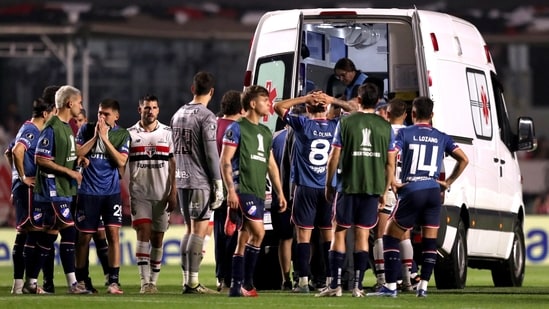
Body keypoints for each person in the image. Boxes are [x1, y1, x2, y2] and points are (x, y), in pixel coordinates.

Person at [367, 96, 468, 298]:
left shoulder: (405, 133)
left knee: (388, 235)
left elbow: (391, 155)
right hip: (433, 190)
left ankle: (390, 286)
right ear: (431, 116)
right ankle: (422, 286)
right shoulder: (441, 136)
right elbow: (464, 159)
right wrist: (448, 182)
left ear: (413, 114)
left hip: (412, 188)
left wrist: (393, 182)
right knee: (430, 242)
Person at [319, 83, 395, 297]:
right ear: (378, 101)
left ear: (358, 101)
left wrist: (328, 184)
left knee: (340, 231)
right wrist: (384, 190)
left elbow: (333, 157)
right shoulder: (385, 127)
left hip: (348, 186)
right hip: (372, 188)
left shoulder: (345, 122)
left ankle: (335, 286)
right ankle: (358, 287)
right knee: (363, 234)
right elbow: (390, 163)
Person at [273, 91, 354, 293]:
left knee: (303, 236)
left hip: (305, 188)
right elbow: (355, 110)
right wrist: (333, 100)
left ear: (308, 108)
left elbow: (278, 106)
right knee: (329, 236)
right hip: (329, 188)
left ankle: (302, 282)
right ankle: (329, 280)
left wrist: (304, 99)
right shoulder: (338, 125)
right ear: (326, 108)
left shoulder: (301, 124)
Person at [220, 85, 287, 297]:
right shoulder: (237, 127)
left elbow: (271, 165)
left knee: (244, 238)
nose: (269, 104)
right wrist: (230, 190)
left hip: (258, 190)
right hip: (243, 188)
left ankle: (235, 286)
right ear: (252, 104)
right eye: (265, 100)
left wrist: (280, 192)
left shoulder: (265, 132)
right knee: (259, 233)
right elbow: (225, 161)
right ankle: (247, 284)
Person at [30, 85, 89, 294]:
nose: (81, 106)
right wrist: (70, 173)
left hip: (64, 189)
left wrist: (79, 160)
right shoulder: (52, 126)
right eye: (79, 102)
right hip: (52, 189)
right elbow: (41, 158)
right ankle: (73, 284)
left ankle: (29, 282)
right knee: (69, 231)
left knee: (49, 236)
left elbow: (68, 155)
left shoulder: (66, 127)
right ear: (69, 103)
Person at [170, 71, 224, 294]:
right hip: (200, 180)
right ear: (211, 91)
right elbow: (212, 154)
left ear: (193, 89)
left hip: (182, 179)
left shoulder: (177, 114)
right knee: (199, 231)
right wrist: (218, 183)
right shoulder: (207, 116)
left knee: (189, 230)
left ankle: (187, 280)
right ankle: (192, 282)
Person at [74, 98, 130, 294]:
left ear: (116, 116)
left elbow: (122, 160)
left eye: (106, 114)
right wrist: (96, 137)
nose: (101, 117)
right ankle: (81, 281)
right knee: (84, 238)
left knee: (113, 235)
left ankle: (113, 281)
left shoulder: (122, 134)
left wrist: (105, 139)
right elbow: (77, 152)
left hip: (111, 193)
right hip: (88, 192)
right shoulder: (86, 130)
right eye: (99, 113)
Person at [4, 97, 56, 294]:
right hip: (28, 188)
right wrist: (23, 177)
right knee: (33, 233)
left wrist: (16, 178)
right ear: (45, 114)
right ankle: (29, 284)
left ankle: (19, 285)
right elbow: (17, 151)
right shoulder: (32, 131)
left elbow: (7, 153)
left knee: (24, 233)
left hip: (22, 188)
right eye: (51, 114)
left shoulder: (24, 127)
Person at [127, 94, 176, 294]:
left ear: (158, 110)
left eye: (154, 107)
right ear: (140, 110)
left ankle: (153, 281)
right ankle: (144, 282)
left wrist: (173, 191)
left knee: (158, 239)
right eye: (147, 108)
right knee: (143, 234)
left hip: (162, 194)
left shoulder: (167, 133)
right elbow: (122, 163)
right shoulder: (129, 134)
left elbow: (173, 164)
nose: (151, 111)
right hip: (140, 193)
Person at [371, 98, 417, 291]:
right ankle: (407, 280)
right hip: (408, 188)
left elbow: (381, 163)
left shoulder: (382, 133)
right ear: (406, 115)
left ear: (387, 115)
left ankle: (383, 279)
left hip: (388, 186)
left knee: (381, 234)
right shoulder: (411, 134)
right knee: (404, 234)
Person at [214, 90, 243, 291]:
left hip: (214, 185)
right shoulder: (237, 128)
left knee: (219, 233)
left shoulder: (213, 125)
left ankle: (220, 277)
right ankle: (231, 276)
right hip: (232, 185)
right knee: (234, 232)